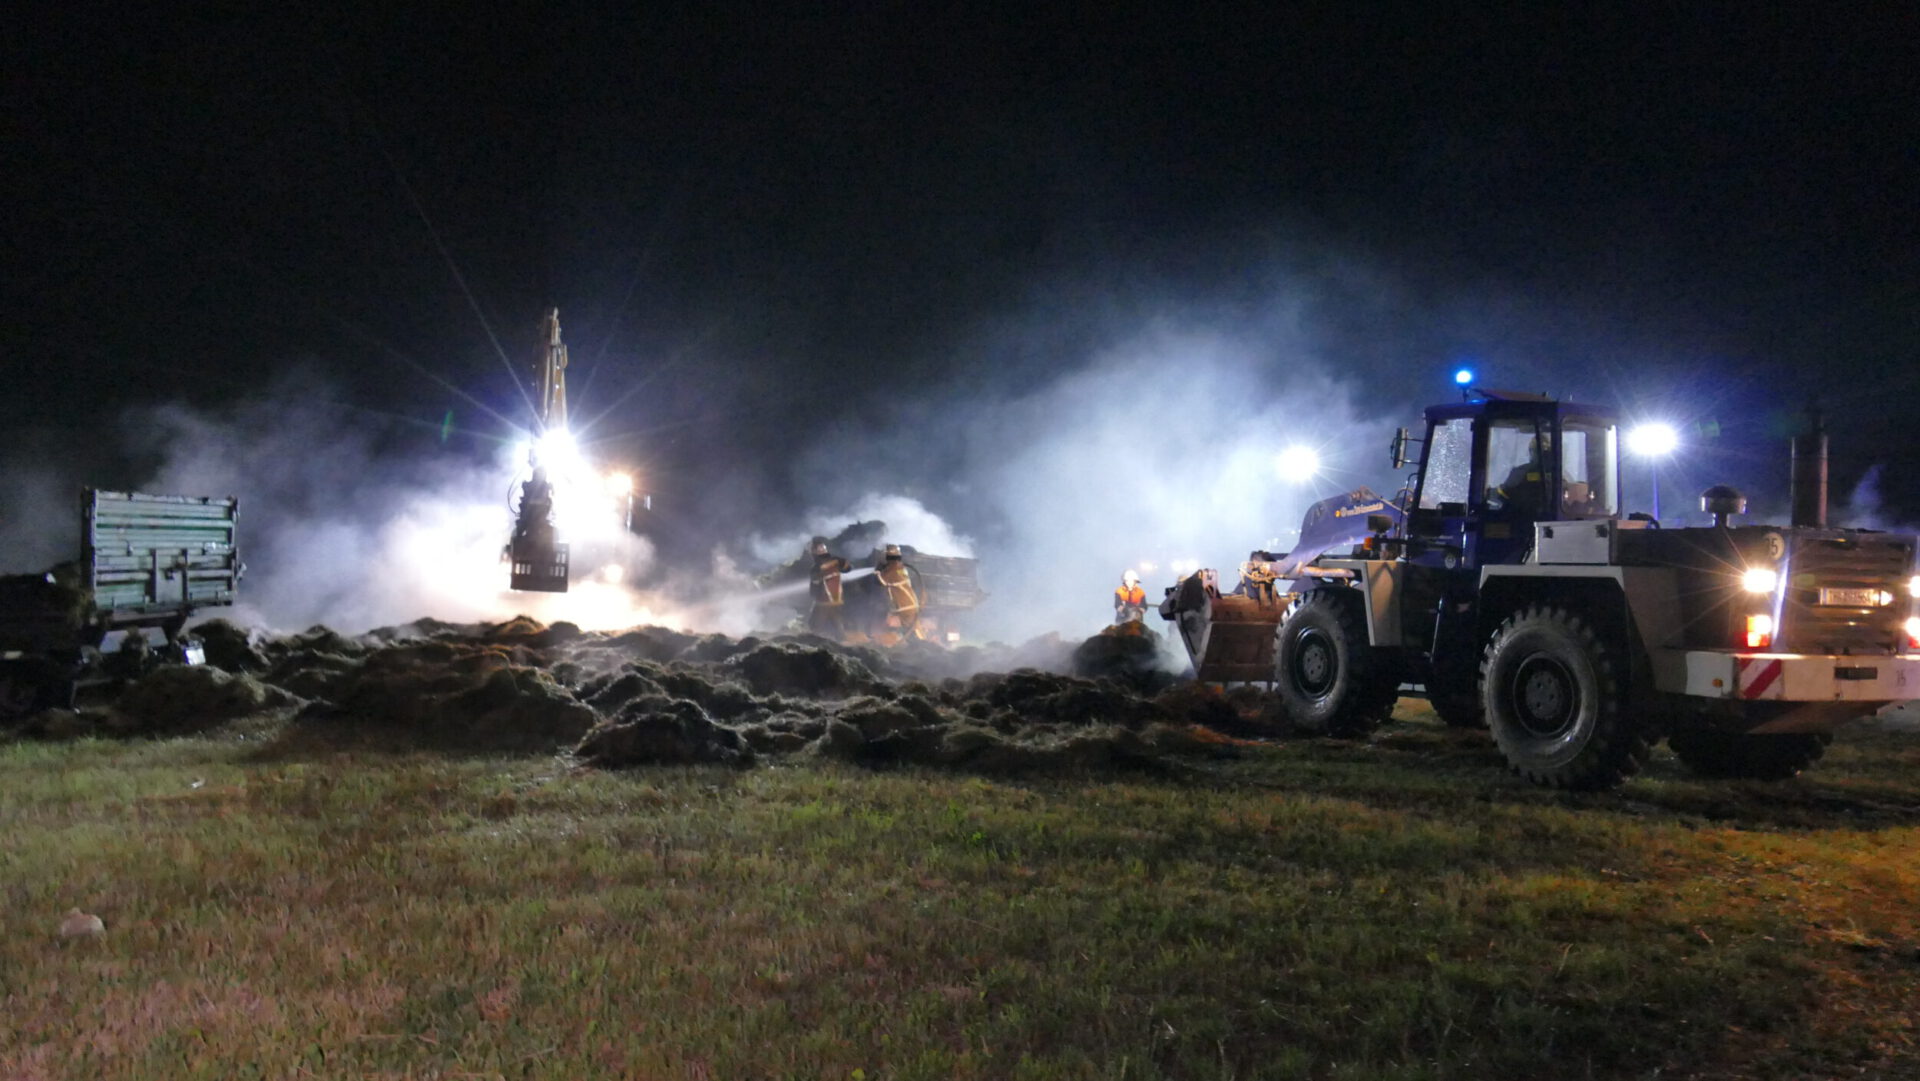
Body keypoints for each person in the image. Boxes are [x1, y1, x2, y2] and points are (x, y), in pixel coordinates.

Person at [807, 537, 852, 638]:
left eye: (822, 548)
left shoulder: (831, 562)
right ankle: (840, 639)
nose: (822, 550)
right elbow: (815, 580)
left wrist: (843, 563)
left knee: (815, 625)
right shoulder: (817, 567)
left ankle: (821, 642)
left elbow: (847, 568)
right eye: (820, 548)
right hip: (831, 600)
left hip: (826, 601)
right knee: (835, 623)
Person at [875, 544, 921, 641]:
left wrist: (878, 571)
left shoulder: (893, 569)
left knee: (909, 629)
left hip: (905, 605)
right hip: (910, 603)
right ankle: (913, 642)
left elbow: (881, 581)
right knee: (910, 628)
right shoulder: (900, 567)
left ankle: (915, 644)